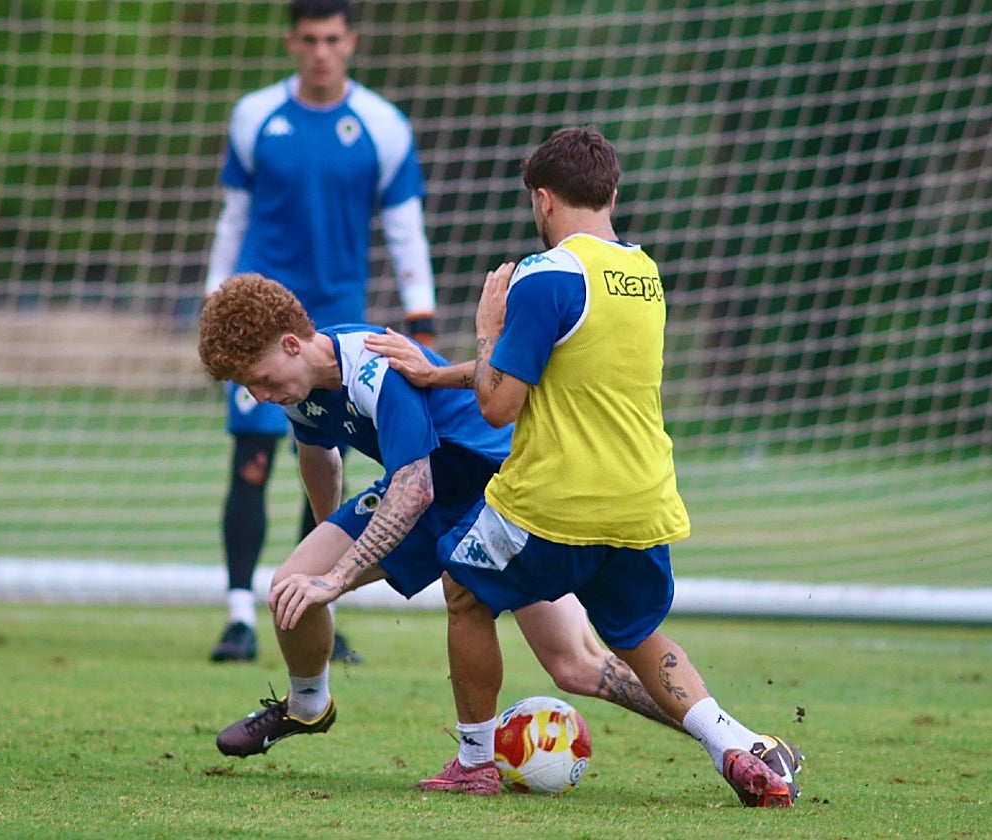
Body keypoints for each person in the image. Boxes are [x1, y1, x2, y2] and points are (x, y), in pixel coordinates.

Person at [368, 127, 803, 806]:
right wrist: (440, 372)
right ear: (613, 193)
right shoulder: (644, 272)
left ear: (542, 199)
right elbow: (565, 372)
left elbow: (499, 406)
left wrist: (487, 324)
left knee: (465, 590)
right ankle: (737, 751)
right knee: (634, 634)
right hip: (641, 500)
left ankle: (476, 760)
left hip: (554, 501)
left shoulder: (545, 276)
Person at [199, 273, 684, 791]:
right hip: (423, 488)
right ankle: (307, 706)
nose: (259, 394)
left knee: (576, 667)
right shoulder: (296, 387)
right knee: (292, 585)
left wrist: (339, 576)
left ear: (292, 344)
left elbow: (414, 490)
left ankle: (721, 736)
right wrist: (328, 545)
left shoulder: (371, 364)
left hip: (497, 493)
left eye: (260, 379)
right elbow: (320, 458)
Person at [202, 0, 437, 663]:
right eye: (309, 39)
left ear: (351, 42)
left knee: (324, 460)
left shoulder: (383, 126)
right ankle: (238, 615)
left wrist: (420, 314)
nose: (321, 51)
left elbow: (403, 225)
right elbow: (234, 216)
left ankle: (313, 600)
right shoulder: (255, 117)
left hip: (331, 322)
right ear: (291, 43)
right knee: (249, 465)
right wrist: (213, 299)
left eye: (332, 39)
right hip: (254, 325)